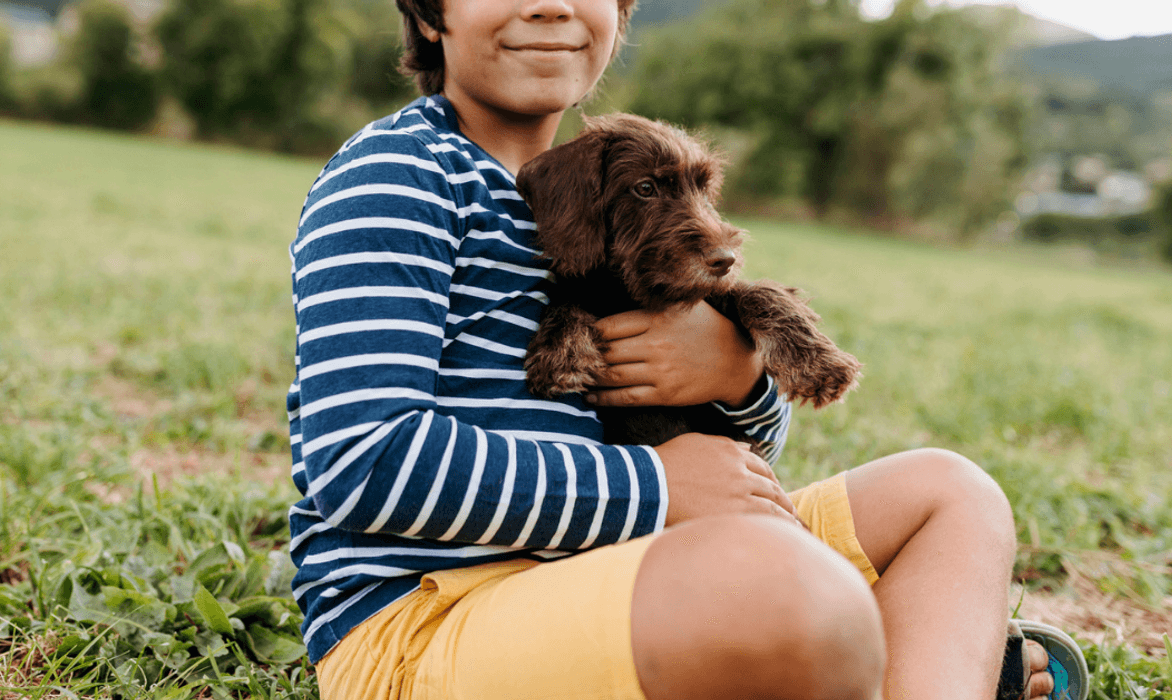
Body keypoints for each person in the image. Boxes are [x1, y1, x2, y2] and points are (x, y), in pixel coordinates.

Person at [286, 1, 1082, 699]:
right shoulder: (399, 174)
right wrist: (657, 489)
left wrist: (735, 376)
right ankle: (903, 657)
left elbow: (728, 473)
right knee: (785, 588)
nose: (549, 5)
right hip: (431, 619)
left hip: (628, 566)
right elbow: (360, 460)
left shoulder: (620, 195)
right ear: (431, 13)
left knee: (950, 494)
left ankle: (900, 671)